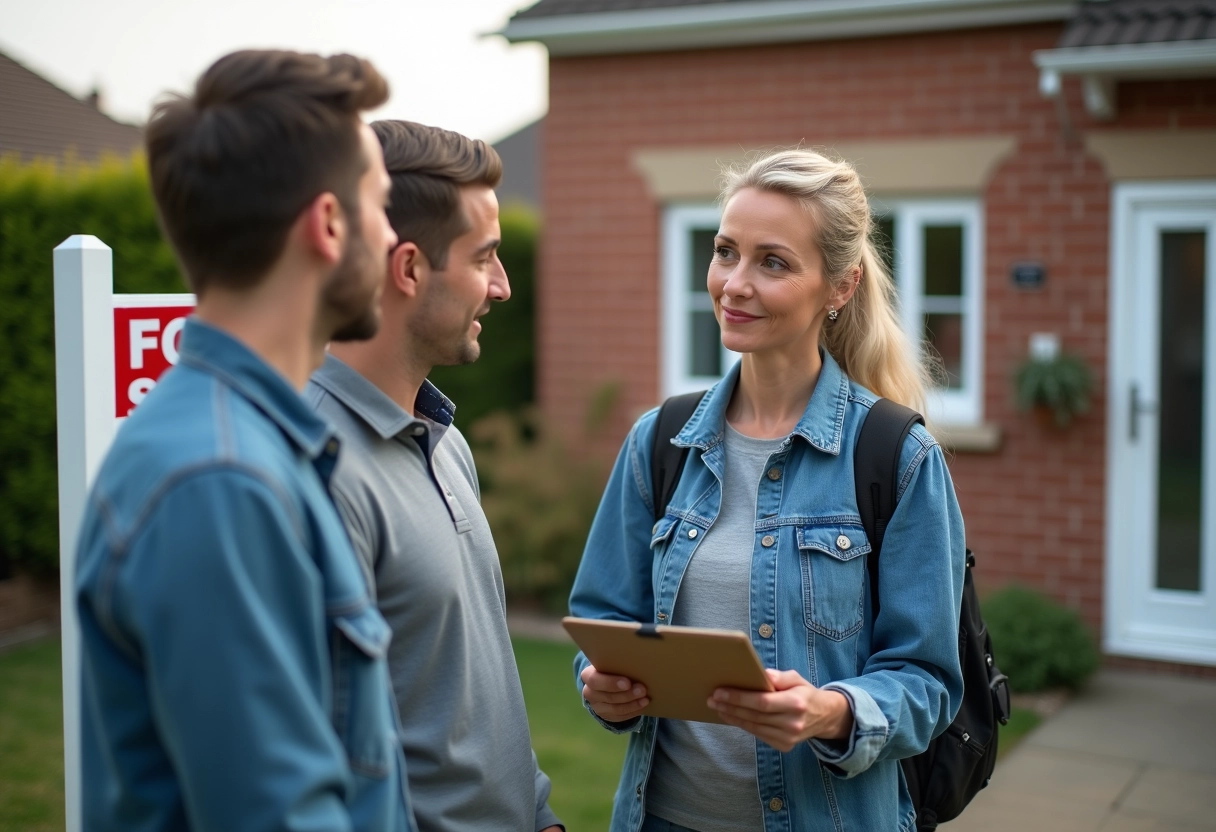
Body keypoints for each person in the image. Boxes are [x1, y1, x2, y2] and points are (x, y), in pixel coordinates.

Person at [570, 149, 967, 832]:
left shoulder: (897, 457)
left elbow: (928, 682)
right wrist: (601, 686)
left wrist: (832, 712)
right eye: (725, 252)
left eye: (772, 262)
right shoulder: (659, 442)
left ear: (839, 287)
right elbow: (601, 623)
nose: (734, 284)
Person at [75, 50, 415, 832]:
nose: (394, 234)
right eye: (381, 203)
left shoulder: (250, 448)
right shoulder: (219, 481)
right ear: (328, 224)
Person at [305, 120, 562, 832]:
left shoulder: (446, 442)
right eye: (485, 258)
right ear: (409, 268)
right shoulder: (311, 470)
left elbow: (473, 684)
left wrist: (540, 814)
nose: (502, 287)